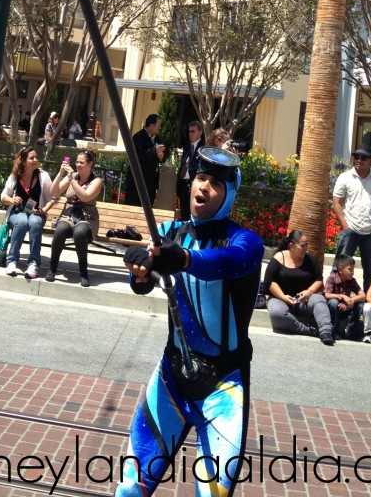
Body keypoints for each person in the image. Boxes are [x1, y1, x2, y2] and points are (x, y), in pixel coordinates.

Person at [116, 146, 263, 497]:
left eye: (215, 182)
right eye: (200, 177)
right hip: (171, 379)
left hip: (224, 389)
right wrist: (138, 269)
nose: (203, 187)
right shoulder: (169, 232)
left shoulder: (246, 241)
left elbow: (230, 262)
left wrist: (181, 258)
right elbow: (144, 272)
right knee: (130, 487)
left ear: (230, 193)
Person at [332, 145, 371, 290]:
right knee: (339, 267)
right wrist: (345, 225)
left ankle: (368, 303)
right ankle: (335, 297)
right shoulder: (345, 177)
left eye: (363, 158)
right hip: (350, 229)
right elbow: (337, 202)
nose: (359, 160)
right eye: (356, 157)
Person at [263, 229, 335, 344]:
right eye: (303, 246)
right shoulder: (278, 258)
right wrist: (283, 297)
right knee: (277, 313)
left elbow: (319, 280)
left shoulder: (310, 259)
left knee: (319, 300)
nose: (306, 249)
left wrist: (309, 292)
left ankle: (326, 332)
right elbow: (270, 282)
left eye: (307, 245)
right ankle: (307, 330)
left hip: (304, 301)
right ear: (291, 246)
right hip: (281, 299)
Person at [1, 146, 60, 280]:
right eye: (31, 158)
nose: (35, 160)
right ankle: (12, 261)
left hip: (36, 213)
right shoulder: (15, 176)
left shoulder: (43, 176)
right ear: (23, 161)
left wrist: (43, 210)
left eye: (36, 157)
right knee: (22, 222)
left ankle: (33, 264)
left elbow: (51, 198)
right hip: (17, 212)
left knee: (34, 223)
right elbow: (3, 197)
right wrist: (12, 199)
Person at [45, 150, 102, 286]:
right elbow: (54, 192)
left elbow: (85, 196)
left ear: (90, 164)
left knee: (80, 233)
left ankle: (83, 271)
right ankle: (52, 267)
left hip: (87, 217)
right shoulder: (73, 176)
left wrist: (71, 180)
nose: (78, 165)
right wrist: (61, 174)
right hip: (69, 214)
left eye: (82, 162)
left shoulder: (97, 180)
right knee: (60, 230)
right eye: (77, 162)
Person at [125, 114, 166, 206]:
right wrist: (154, 151)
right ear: (151, 126)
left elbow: (161, 155)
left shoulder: (157, 139)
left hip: (150, 184)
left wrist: (161, 156)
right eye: (158, 126)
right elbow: (137, 156)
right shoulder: (138, 137)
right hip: (136, 183)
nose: (160, 128)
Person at [324, 253, 366, 340]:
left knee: (360, 304)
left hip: (345, 308)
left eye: (353, 269)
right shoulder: (331, 279)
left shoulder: (352, 281)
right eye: (350, 269)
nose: (352, 272)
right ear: (340, 269)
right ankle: (335, 331)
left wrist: (350, 301)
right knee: (333, 302)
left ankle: (351, 330)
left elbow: (362, 295)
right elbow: (327, 294)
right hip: (334, 309)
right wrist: (342, 297)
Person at [175, 120, 205, 221]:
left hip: (194, 185)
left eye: (193, 131)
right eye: (189, 131)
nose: (190, 134)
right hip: (184, 185)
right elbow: (183, 165)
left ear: (200, 132)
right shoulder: (187, 147)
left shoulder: (203, 148)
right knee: (184, 213)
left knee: (193, 214)